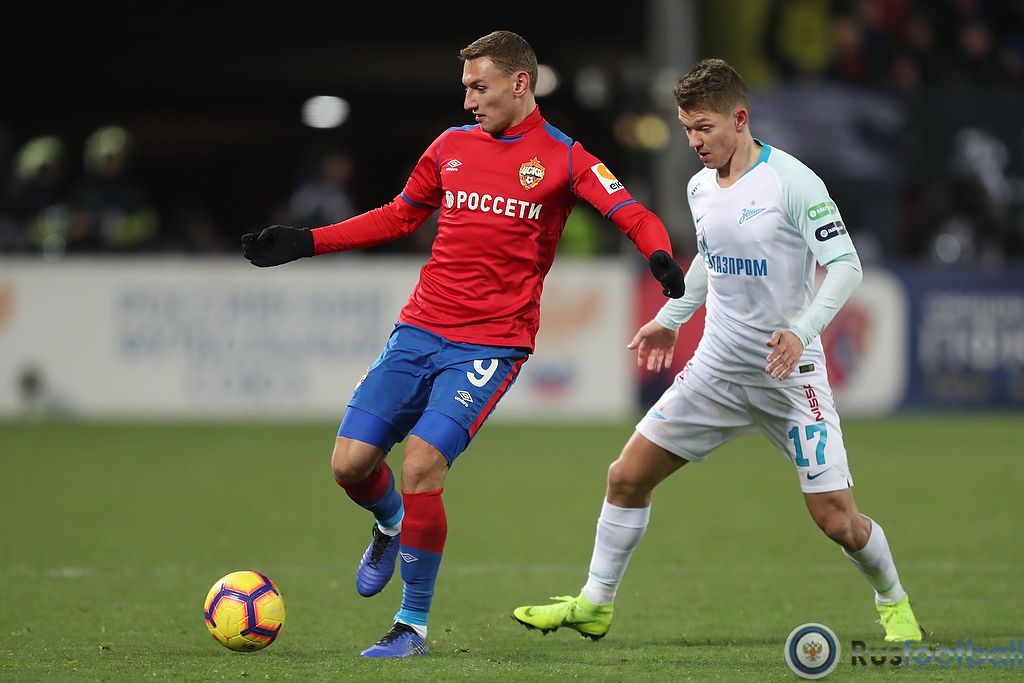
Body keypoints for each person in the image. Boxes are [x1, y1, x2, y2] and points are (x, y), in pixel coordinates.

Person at [242, 30, 685, 658]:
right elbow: (399, 215)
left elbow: (633, 214)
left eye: (480, 87)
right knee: (349, 465)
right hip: (419, 329)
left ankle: (411, 625)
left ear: (520, 83)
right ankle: (391, 522)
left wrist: (659, 255)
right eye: (466, 88)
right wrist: (307, 242)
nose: (469, 100)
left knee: (422, 463)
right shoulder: (450, 147)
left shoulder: (564, 158)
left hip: (491, 344)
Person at [513, 58, 922, 646]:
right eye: (687, 129)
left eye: (704, 127)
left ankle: (893, 599)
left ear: (740, 118)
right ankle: (594, 605)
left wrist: (801, 330)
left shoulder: (793, 182)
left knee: (837, 520)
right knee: (625, 477)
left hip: (788, 376)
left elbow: (846, 266)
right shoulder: (700, 186)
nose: (694, 141)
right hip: (716, 370)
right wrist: (670, 318)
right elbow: (711, 260)